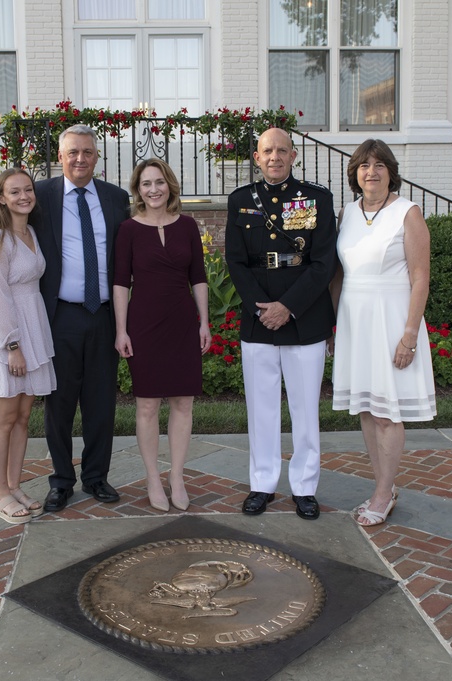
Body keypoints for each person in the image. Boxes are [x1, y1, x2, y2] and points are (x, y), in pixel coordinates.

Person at [225, 127, 338, 520]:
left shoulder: (316, 199)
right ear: (256, 158)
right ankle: (263, 484)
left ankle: (305, 487)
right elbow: (236, 262)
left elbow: (324, 263)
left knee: (306, 409)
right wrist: (263, 309)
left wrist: (287, 306)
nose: (274, 157)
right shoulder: (240, 200)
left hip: (304, 315)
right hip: (259, 318)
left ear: (294, 156)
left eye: (282, 151)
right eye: (267, 151)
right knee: (262, 409)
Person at [330, 138, 437, 527]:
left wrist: (409, 334)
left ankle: (382, 493)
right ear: (355, 174)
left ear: (390, 172)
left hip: (392, 320)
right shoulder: (348, 213)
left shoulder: (408, 213)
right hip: (356, 322)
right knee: (367, 408)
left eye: (378, 165)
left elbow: (420, 278)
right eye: (363, 165)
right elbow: (339, 274)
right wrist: (334, 325)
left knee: (388, 413)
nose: (371, 171)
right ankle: (384, 485)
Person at [33, 124, 132, 511]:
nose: (80, 159)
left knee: (101, 403)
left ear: (97, 157)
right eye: (72, 152)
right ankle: (60, 481)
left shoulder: (116, 198)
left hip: (105, 316)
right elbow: (6, 227)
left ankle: (96, 477)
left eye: (87, 152)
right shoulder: (40, 195)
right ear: (61, 156)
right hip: (61, 317)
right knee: (59, 405)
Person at [113, 159, 211, 512]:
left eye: (158, 182)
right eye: (145, 184)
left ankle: (177, 476)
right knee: (148, 404)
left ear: (169, 184)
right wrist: (121, 330)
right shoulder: (128, 230)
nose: (153, 189)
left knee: (183, 402)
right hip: (144, 323)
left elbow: (198, 277)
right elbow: (121, 283)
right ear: (138, 191)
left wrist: (204, 322)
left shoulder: (187, 226)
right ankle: (153, 477)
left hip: (182, 321)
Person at [0, 169, 56, 524]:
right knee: (4, 420)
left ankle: (15, 484)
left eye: (28, 189)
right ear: (1, 198)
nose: (24, 196)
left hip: (35, 330)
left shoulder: (32, 232)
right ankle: (0, 493)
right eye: (14, 191)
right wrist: (13, 346)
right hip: (9, 339)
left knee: (23, 417)